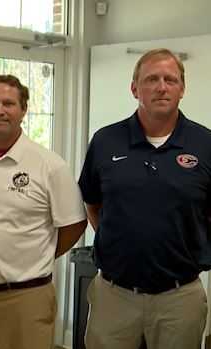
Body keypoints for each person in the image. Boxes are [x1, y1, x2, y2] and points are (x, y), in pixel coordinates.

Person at [79, 48, 210, 349]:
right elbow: (92, 203)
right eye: (151, 79)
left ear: (182, 89)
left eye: (170, 79)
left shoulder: (205, 144)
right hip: (114, 295)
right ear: (134, 88)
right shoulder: (105, 141)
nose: (161, 87)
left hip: (180, 299)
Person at [0, 74, 87, 349]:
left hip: (26, 298)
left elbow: (73, 224)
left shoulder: (49, 165)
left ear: (23, 110)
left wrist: (36, 253)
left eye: (9, 104)